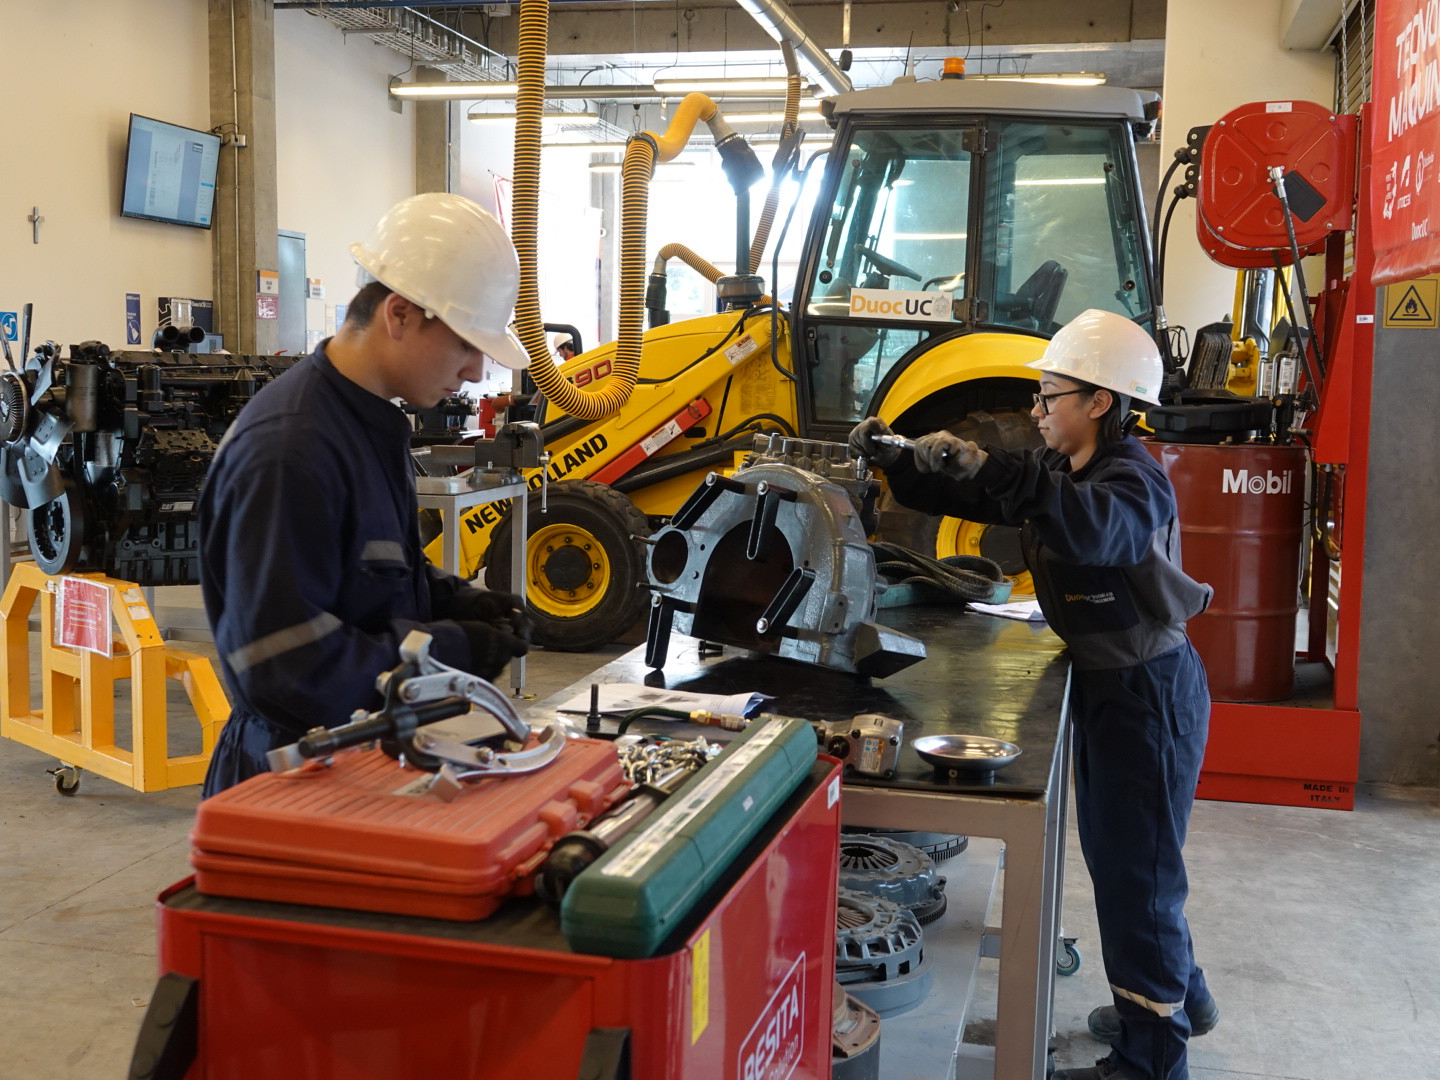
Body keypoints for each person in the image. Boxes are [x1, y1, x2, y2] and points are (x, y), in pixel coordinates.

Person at [849, 308, 1217, 1080]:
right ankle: (1178, 997)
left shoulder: (1131, 481)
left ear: (1102, 403)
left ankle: (1153, 1059)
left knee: (1136, 875)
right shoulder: (1065, 470)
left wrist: (987, 467)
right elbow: (996, 498)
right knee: (1132, 863)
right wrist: (907, 462)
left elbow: (1093, 533)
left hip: (1147, 692)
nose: (1037, 411)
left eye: (1050, 398)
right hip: (1114, 685)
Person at [198, 192, 535, 798]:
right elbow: (282, 667)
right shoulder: (292, 450)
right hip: (288, 780)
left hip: (355, 760)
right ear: (400, 315)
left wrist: (453, 602)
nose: (477, 373)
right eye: (465, 343)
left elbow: (367, 577)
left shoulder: (369, 423)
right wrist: (453, 650)